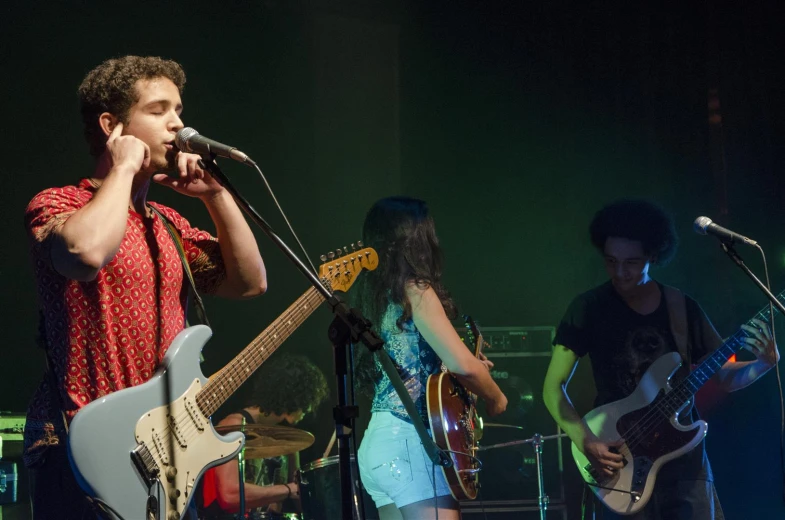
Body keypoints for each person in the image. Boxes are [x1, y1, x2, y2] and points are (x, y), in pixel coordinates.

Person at [23, 55, 268, 520]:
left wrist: (216, 196)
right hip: (83, 449)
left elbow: (249, 283)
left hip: (168, 459)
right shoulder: (59, 203)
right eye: (158, 111)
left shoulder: (169, 225)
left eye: (178, 109)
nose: (178, 124)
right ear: (111, 125)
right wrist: (123, 167)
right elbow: (86, 254)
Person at [542, 199, 779, 520]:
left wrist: (762, 364)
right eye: (611, 261)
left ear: (653, 255)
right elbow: (552, 388)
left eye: (632, 262)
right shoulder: (588, 307)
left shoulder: (682, 307)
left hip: (685, 468)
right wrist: (584, 440)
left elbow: (724, 377)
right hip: (618, 462)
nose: (620, 272)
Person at [353, 196, 508, 520]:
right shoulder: (416, 289)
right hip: (412, 441)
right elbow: (462, 365)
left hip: (378, 443)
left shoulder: (375, 294)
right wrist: (495, 396)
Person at [200, 353, 329, 519]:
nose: (309, 410)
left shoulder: (288, 439)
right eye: (308, 401)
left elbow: (299, 500)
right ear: (294, 396)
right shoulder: (233, 426)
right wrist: (288, 489)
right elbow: (229, 495)